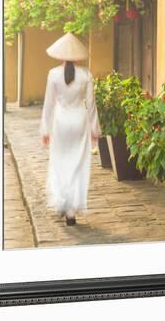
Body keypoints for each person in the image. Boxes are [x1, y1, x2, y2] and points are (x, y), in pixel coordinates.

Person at [39, 32, 101, 226]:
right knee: (78, 165)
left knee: (59, 164)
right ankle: (72, 212)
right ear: (77, 55)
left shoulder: (53, 74)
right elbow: (91, 105)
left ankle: (61, 202)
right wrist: (95, 129)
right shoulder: (86, 75)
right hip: (79, 121)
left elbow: (48, 104)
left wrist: (45, 129)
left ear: (61, 55)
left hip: (60, 122)